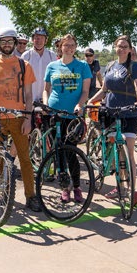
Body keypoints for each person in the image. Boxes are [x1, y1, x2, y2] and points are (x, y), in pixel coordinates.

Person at [0, 28, 42, 212]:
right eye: (3, 41)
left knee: (24, 159)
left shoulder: (25, 65)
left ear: (15, 44)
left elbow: (29, 95)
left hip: (18, 118)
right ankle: (3, 192)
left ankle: (31, 196)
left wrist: (28, 118)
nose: (7, 44)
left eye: (10, 41)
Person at [89, 35, 137, 205]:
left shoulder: (134, 66)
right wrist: (92, 101)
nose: (121, 48)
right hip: (109, 112)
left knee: (127, 153)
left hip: (128, 113)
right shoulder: (110, 66)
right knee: (114, 152)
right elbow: (105, 90)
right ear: (115, 48)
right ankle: (120, 186)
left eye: (125, 46)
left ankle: (131, 189)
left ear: (130, 50)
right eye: (119, 46)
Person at [44, 33, 93, 202]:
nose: (70, 48)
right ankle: (64, 187)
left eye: (73, 45)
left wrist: (80, 104)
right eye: (66, 45)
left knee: (71, 152)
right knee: (58, 153)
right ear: (60, 47)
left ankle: (77, 186)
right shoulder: (52, 66)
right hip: (54, 114)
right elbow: (46, 89)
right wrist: (46, 105)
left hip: (73, 115)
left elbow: (86, 91)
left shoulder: (82, 66)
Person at [22, 27, 57, 102]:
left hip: (47, 100)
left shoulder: (52, 55)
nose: (39, 41)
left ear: (46, 40)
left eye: (42, 38)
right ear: (32, 40)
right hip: (29, 99)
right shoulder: (26, 56)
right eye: (37, 38)